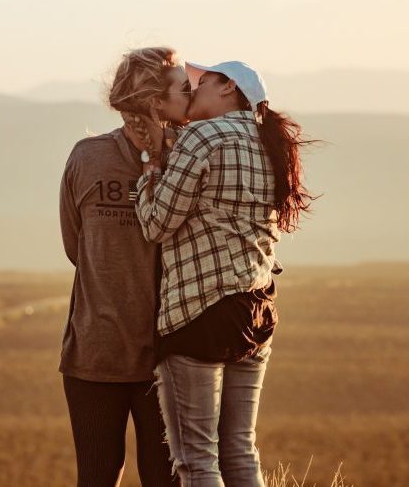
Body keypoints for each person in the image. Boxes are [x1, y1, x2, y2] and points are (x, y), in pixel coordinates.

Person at [124, 60, 314, 487]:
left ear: (229, 88)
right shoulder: (269, 141)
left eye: (202, 83)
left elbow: (156, 224)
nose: (193, 92)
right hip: (257, 307)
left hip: (199, 310)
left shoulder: (202, 136)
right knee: (241, 451)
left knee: (197, 459)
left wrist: (150, 174)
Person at [58, 47, 190, 487]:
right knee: (96, 476)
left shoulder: (189, 159)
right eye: (182, 87)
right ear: (155, 100)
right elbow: (76, 248)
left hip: (168, 357)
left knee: (165, 479)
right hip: (95, 354)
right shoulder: (88, 157)